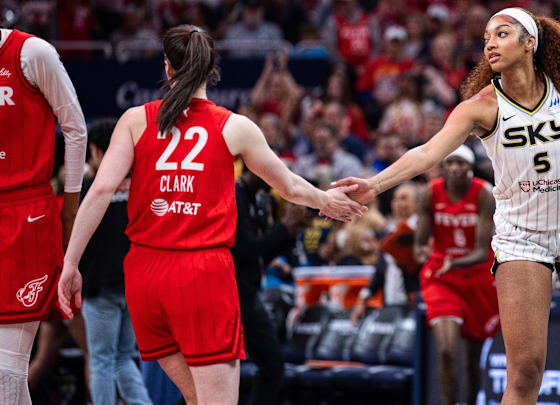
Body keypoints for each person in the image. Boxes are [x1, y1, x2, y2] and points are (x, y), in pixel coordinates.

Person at [334, 8, 560, 404]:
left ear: (530, 42)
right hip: (523, 237)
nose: (490, 43)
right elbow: (426, 154)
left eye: (502, 34)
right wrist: (373, 184)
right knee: (525, 370)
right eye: (486, 38)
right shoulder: (481, 106)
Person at [57, 25, 365, 405]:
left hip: (144, 276)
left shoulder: (135, 120)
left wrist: (70, 264)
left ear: (167, 68)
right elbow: (289, 186)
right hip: (201, 275)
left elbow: (99, 191)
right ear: (211, 70)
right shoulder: (234, 126)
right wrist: (326, 200)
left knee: (196, 397)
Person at [0, 26, 87, 404]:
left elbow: (76, 129)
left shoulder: (32, 52)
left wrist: (70, 209)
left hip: (25, 216)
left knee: (7, 370)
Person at [417, 145, 499, 405]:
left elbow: (480, 250)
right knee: (446, 351)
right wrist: (421, 256)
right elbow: (420, 244)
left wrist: (453, 263)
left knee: (472, 361)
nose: (454, 168)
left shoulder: (484, 194)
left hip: (477, 275)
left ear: (470, 168)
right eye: (449, 162)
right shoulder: (430, 193)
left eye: (460, 163)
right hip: (442, 279)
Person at [80, 119, 153, 405]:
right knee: (123, 356)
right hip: (134, 287)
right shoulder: (142, 186)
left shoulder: (89, 189)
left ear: (97, 151)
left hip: (99, 288)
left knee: (101, 361)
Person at [231, 168, 311, 405]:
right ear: (253, 169)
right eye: (269, 170)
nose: (274, 177)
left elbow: (262, 255)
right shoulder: (233, 196)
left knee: (273, 365)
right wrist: (284, 228)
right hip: (229, 293)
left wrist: (291, 232)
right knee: (218, 370)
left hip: (250, 293)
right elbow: (244, 250)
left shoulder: (261, 198)